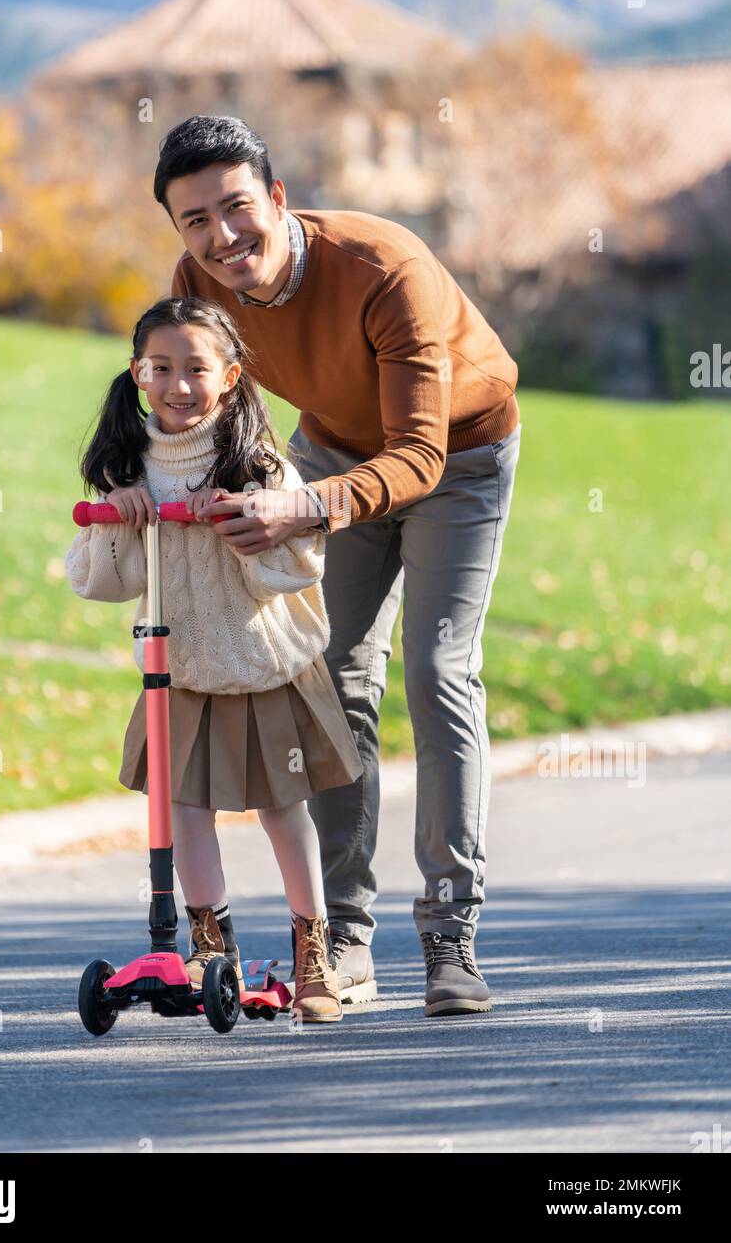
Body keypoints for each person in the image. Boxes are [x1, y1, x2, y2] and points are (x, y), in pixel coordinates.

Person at [112, 113, 522, 1018]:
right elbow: (201, 404)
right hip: (332, 453)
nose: (222, 239)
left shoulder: (384, 270)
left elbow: (417, 455)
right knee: (333, 678)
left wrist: (299, 506)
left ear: (278, 198)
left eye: (237, 208)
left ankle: (449, 933)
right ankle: (343, 932)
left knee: (437, 669)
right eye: (194, 221)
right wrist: (157, 488)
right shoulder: (199, 284)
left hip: (458, 459)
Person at [64, 296, 363, 1025]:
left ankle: (311, 950)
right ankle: (205, 941)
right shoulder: (128, 464)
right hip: (182, 671)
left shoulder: (257, 463)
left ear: (228, 376)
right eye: (161, 368)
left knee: (281, 809)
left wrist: (246, 525)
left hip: (262, 664)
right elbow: (99, 580)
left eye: (196, 368)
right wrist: (123, 517)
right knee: (183, 811)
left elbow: (296, 566)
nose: (178, 385)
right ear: (137, 374)